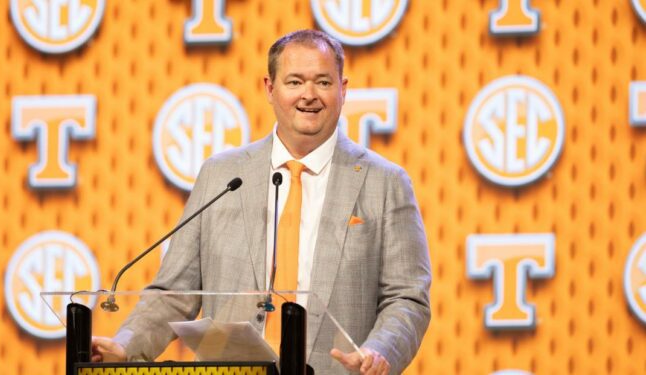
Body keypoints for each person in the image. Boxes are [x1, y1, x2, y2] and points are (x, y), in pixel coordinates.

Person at [92, 29, 431, 375]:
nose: (309, 96)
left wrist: (378, 352)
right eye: (295, 82)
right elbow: (175, 291)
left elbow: (408, 298)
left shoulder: (385, 182)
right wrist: (125, 345)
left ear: (343, 89)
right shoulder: (220, 175)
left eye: (324, 83)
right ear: (270, 88)